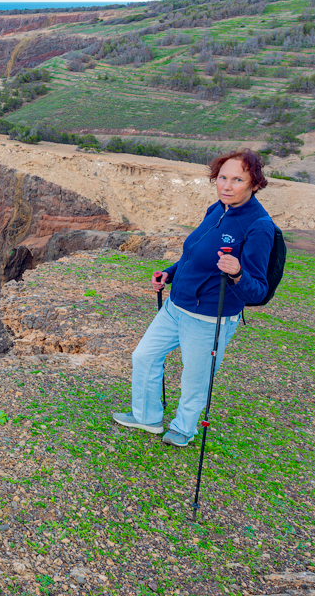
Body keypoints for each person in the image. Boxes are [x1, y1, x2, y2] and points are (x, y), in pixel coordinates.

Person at [113, 148, 275, 446]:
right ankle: (147, 417)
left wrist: (238, 272)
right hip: (177, 305)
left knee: (194, 379)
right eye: (222, 177)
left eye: (237, 179)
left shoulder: (259, 226)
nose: (227, 185)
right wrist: (170, 273)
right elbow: (194, 253)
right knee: (145, 356)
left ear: (255, 183)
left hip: (209, 317)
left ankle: (184, 429)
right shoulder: (217, 209)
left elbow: (258, 290)